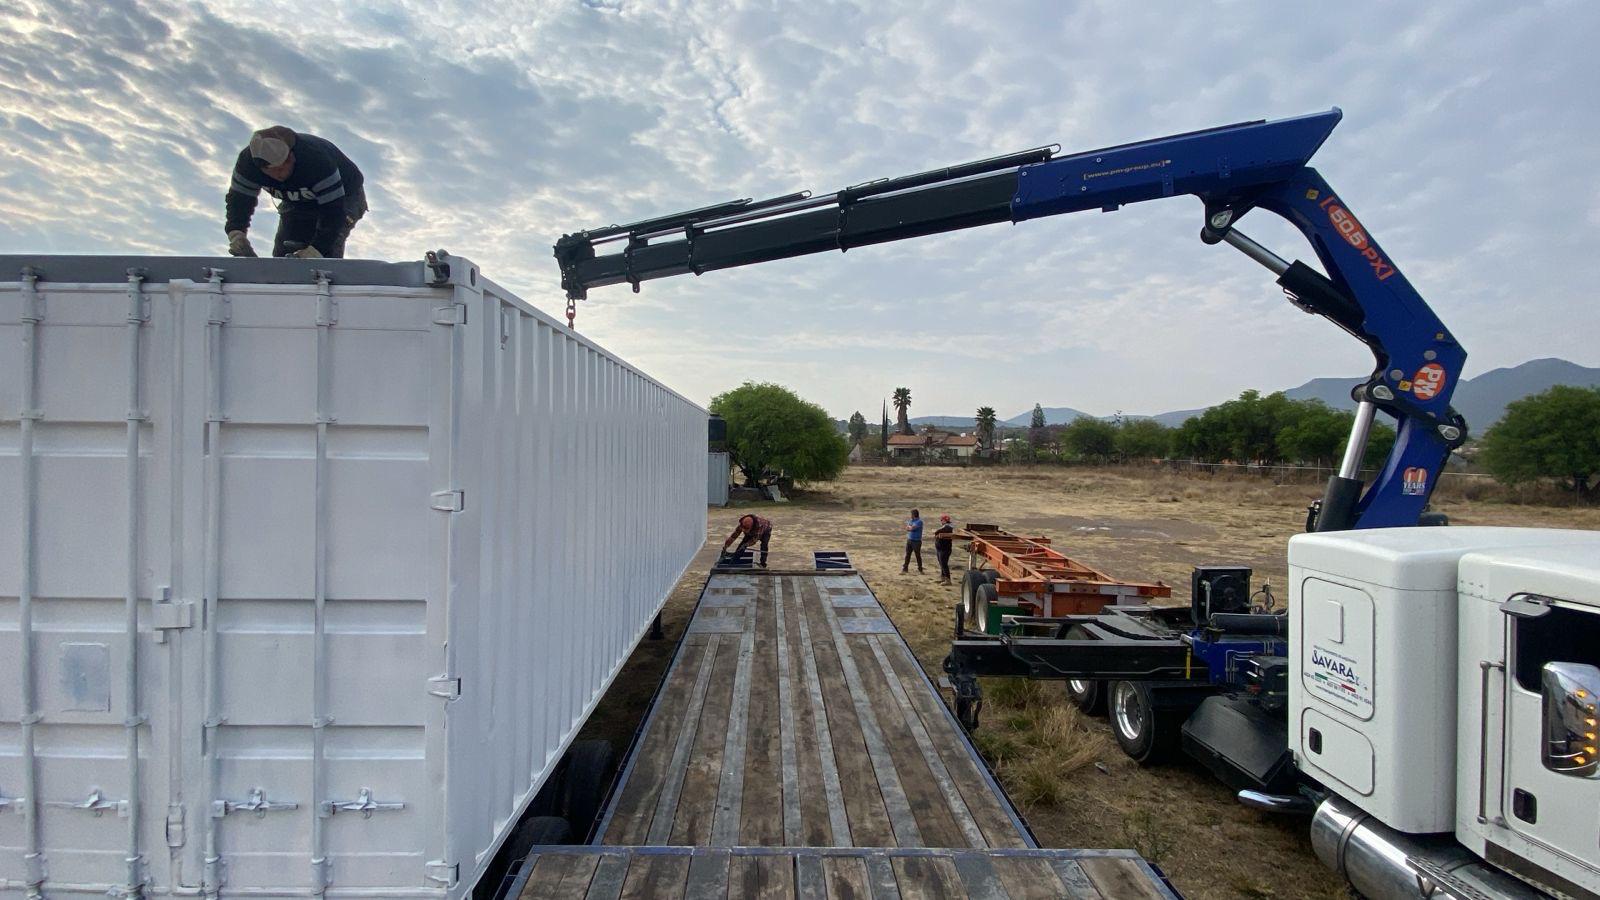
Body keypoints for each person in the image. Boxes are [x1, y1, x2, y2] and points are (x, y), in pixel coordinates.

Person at [225, 126, 367, 259]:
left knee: (326, 251)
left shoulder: (316, 160)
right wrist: (236, 233)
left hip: (345, 196)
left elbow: (334, 213)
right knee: (286, 248)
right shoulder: (247, 167)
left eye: (286, 164)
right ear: (262, 169)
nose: (282, 173)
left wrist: (317, 250)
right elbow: (239, 201)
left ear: (291, 155)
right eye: (276, 170)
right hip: (297, 200)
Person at [934, 514, 956, 584]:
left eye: (942, 520)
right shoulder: (946, 527)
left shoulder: (947, 527)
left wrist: (936, 532)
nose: (941, 521)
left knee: (944, 564)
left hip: (944, 549)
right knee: (942, 564)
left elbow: (937, 531)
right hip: (941, 549)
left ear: (944, 520)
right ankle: (943, 578)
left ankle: (947, 580)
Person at [902, 508, 924, 574]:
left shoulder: (919, 522)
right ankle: (905, 569)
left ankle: (920, 569)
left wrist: (910, 527)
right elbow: (907, 528)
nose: (910, 515)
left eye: (911, 514)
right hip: (910, 540)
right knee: (907, 555)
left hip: (916, 541)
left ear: (914, 515)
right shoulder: (911, 521)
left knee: (917, 555)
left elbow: (912, 528)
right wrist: (910, 527)